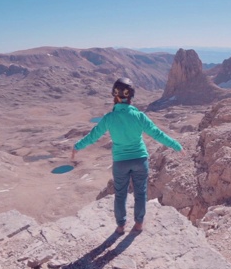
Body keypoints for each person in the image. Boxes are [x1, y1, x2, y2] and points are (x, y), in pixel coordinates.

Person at [71, 77, 183, 234]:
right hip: (140, 160)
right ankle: (138, 224)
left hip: (120, 162)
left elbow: (93, 135)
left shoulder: (109, 118)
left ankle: (121, 226)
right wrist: (176, 145)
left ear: (115, 96)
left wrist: (77, 146)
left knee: (120, 194)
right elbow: (157, 134)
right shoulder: (139, 116)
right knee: (140, 193)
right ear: (131, 96)